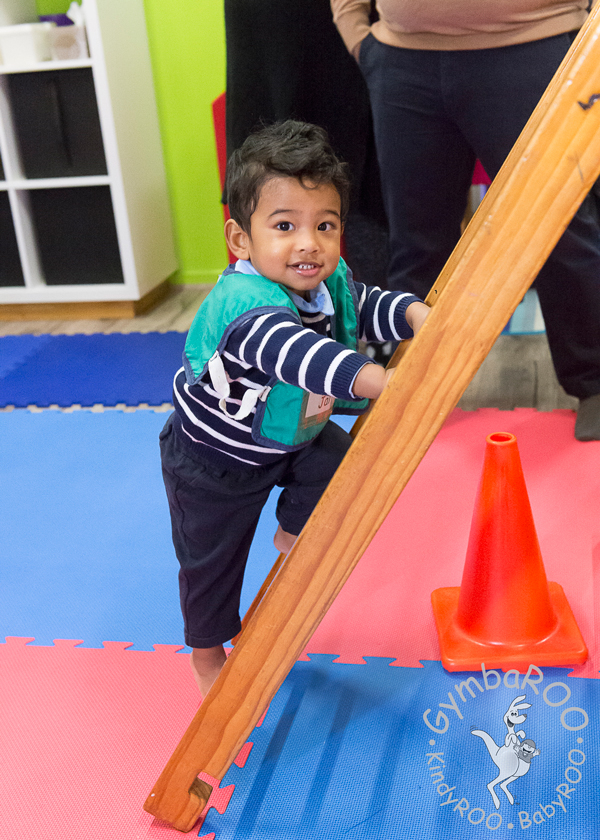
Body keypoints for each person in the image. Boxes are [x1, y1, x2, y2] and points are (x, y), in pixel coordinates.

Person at [159, 120, 430, 697]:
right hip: (214, 462)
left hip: (290, 441)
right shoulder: (247, 307)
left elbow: (363, 305)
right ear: (241, 240)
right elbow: (302, 354)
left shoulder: (324, 281)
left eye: (324, 226)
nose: (308, 242)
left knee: (336, 456)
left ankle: (292, 530)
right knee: (211, 566)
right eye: (284, 226)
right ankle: (207, 655)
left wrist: (411, 314)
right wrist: (374, 378)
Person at [331, 0, 600, 440]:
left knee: (561, 231)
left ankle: (596, 385)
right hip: (403, 58)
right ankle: (411, 388)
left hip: (536, 45)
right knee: (415, 242)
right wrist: (357, 31)